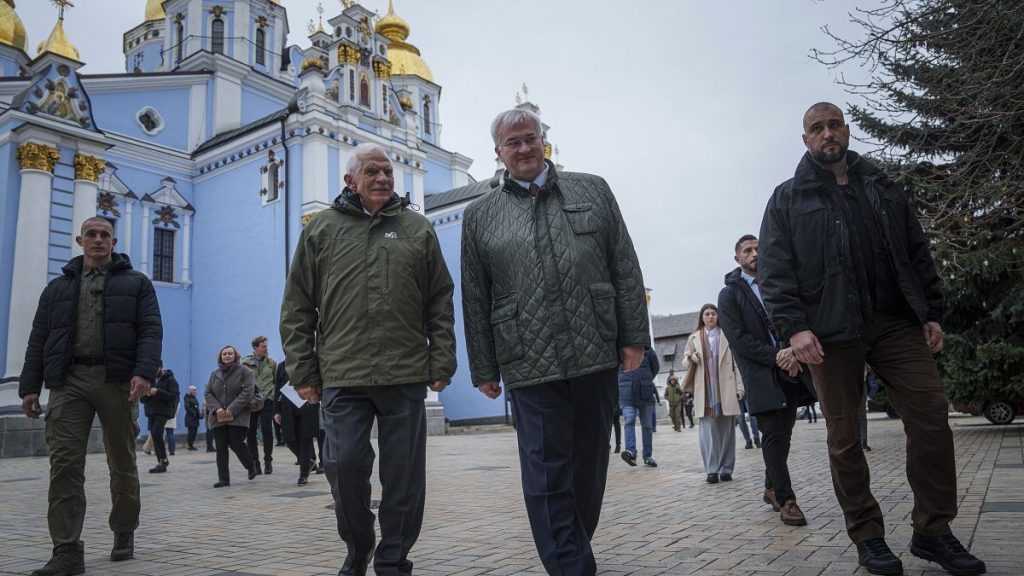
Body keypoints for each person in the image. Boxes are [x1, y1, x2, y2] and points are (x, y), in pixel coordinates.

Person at [759, 101, 986, 576]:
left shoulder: (882, 188)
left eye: (834, 124)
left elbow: (916, 252)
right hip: (829, 332)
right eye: (816, 128)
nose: (827, 134)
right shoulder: (787, 199)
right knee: (844, 439)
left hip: (894, 321)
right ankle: (867, 535)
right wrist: (795, 328)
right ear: (805, 140)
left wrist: (930, 313)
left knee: (930, 417)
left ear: (847, 129)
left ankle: (933, 531)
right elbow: (776, 273)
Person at [461, 108, 650, 575]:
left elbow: (623, 265)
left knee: (588, 468)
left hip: (595, 349)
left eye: (530, 138)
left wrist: (634, 338)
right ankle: (571, 565)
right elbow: (473, 293)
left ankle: (570, 547)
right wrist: (484, 366)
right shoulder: (480, 214)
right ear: (498, 153)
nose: (523, 148)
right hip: (527, 358)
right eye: (513, 143)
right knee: (546, 473)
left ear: (543, 139)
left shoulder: (592, 189)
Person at [280, 142, 456, 576]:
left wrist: (443, 359)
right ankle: (359, 547)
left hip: (405, 373)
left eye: (388, 173)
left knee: (404, 477)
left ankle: (393, 558)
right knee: (344, 466)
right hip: (342, 373)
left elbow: (439, 300)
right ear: (350, 181)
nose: (382, 179)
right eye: (372, 172)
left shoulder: (417, 229)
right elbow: (298, 304)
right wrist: (303, 369)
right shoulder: (321, 229)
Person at [19, 216, 162, 575]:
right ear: (80, 240)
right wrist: (29, 387)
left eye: (105, 236)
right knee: (65, 464)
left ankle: (124, 530)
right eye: (92, 235)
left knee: (122, 462)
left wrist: (144, 372)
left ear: (113, 242)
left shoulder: (137, 283)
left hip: (116, 381)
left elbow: (151, 330)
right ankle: (66, 550)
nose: (98, 240)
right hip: (68, 382)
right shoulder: (57, 289)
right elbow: (39, 338)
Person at [718, 234, 817, 527]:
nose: (755, 254)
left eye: (759, 248)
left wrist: (792, 355)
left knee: (782, 436)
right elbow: (739, 340)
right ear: (738, 259)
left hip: (791, 370)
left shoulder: (778, 285)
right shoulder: (730, 295)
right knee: (772, 434)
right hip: (761, 374)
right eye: (748, 250)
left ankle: (770, 487)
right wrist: (777, 355)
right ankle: (787, 500)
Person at [683, 304, 744, 484]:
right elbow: (684, 362)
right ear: (702, 317)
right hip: (705, 391)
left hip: (726, 388)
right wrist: (690, 357)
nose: (710, 317)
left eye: (713, 314)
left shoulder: (727, 335)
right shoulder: (693, 338)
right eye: (707, 314)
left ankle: (726, 469)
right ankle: (711, 470)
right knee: (708, 433)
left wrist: (740, 388)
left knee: (727, 432)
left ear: (718, 317)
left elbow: (737, 364)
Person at [204, 345, 257, 487]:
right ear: (220, 357)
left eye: (230, 354)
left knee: (236, 443)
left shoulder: (245, 372)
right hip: (218, 417)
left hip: (238, 416)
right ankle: (223, 478)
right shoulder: (215, 374)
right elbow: (208, 393)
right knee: (220, 447)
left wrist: (232, 409)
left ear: (236, 356)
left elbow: (248, 392)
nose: (227, 356)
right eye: (224, 354)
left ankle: (250, 465)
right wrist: (217, 409)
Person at [273, 362, 320, 485]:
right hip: (288, 408)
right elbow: (278, 388)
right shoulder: (282, 366)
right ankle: (308, 462)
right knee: (289, 440)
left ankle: (303, 474)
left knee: (305, 440)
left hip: (307, 405)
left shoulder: (310, 361)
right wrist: (276, 411)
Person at [618, 346, 660, 467]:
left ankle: (647, 456)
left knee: (647, 426)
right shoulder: (620, 348)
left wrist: (645, 379)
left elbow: (655, 367)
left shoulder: (647, 349)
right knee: (629, 420)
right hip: (626, 392)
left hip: (645, 392)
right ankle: (631, 452)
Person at [242, 335, 277, 475]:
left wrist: (273, 394)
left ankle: (268, 460)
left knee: (267, 431)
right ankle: (255, 462)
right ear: (255, 348)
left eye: (266, 346)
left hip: (268, 399)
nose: (266, 349)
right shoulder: (244, 363)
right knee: (250, 433)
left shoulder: (272, 363)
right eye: (264, 346)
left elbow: (276, 381)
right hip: (251, 401)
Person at [140, 363, 179, 473]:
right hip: (151, 412)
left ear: (161, 367)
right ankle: (161, 462)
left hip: (163, 411)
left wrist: (158, 392)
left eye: (155, 367)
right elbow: (142, 399)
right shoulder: (149, 380)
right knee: (155, 436)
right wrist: (146, 395)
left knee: (157, 433)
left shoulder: (170, 380)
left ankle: (164, 460)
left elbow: (173, 396)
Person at [184, 385, 201, 450]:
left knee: (195, 432)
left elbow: (196, 407)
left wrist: (199, 415)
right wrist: (193, 413)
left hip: (195, 418)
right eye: (194, 390)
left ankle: (191, 445)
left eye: (195, 390)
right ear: (190, 391)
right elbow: (187, 407)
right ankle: (189, 445)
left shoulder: (194, 398)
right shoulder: (187, 398)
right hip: (190, 418)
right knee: (191, 432)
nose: (195, 391)